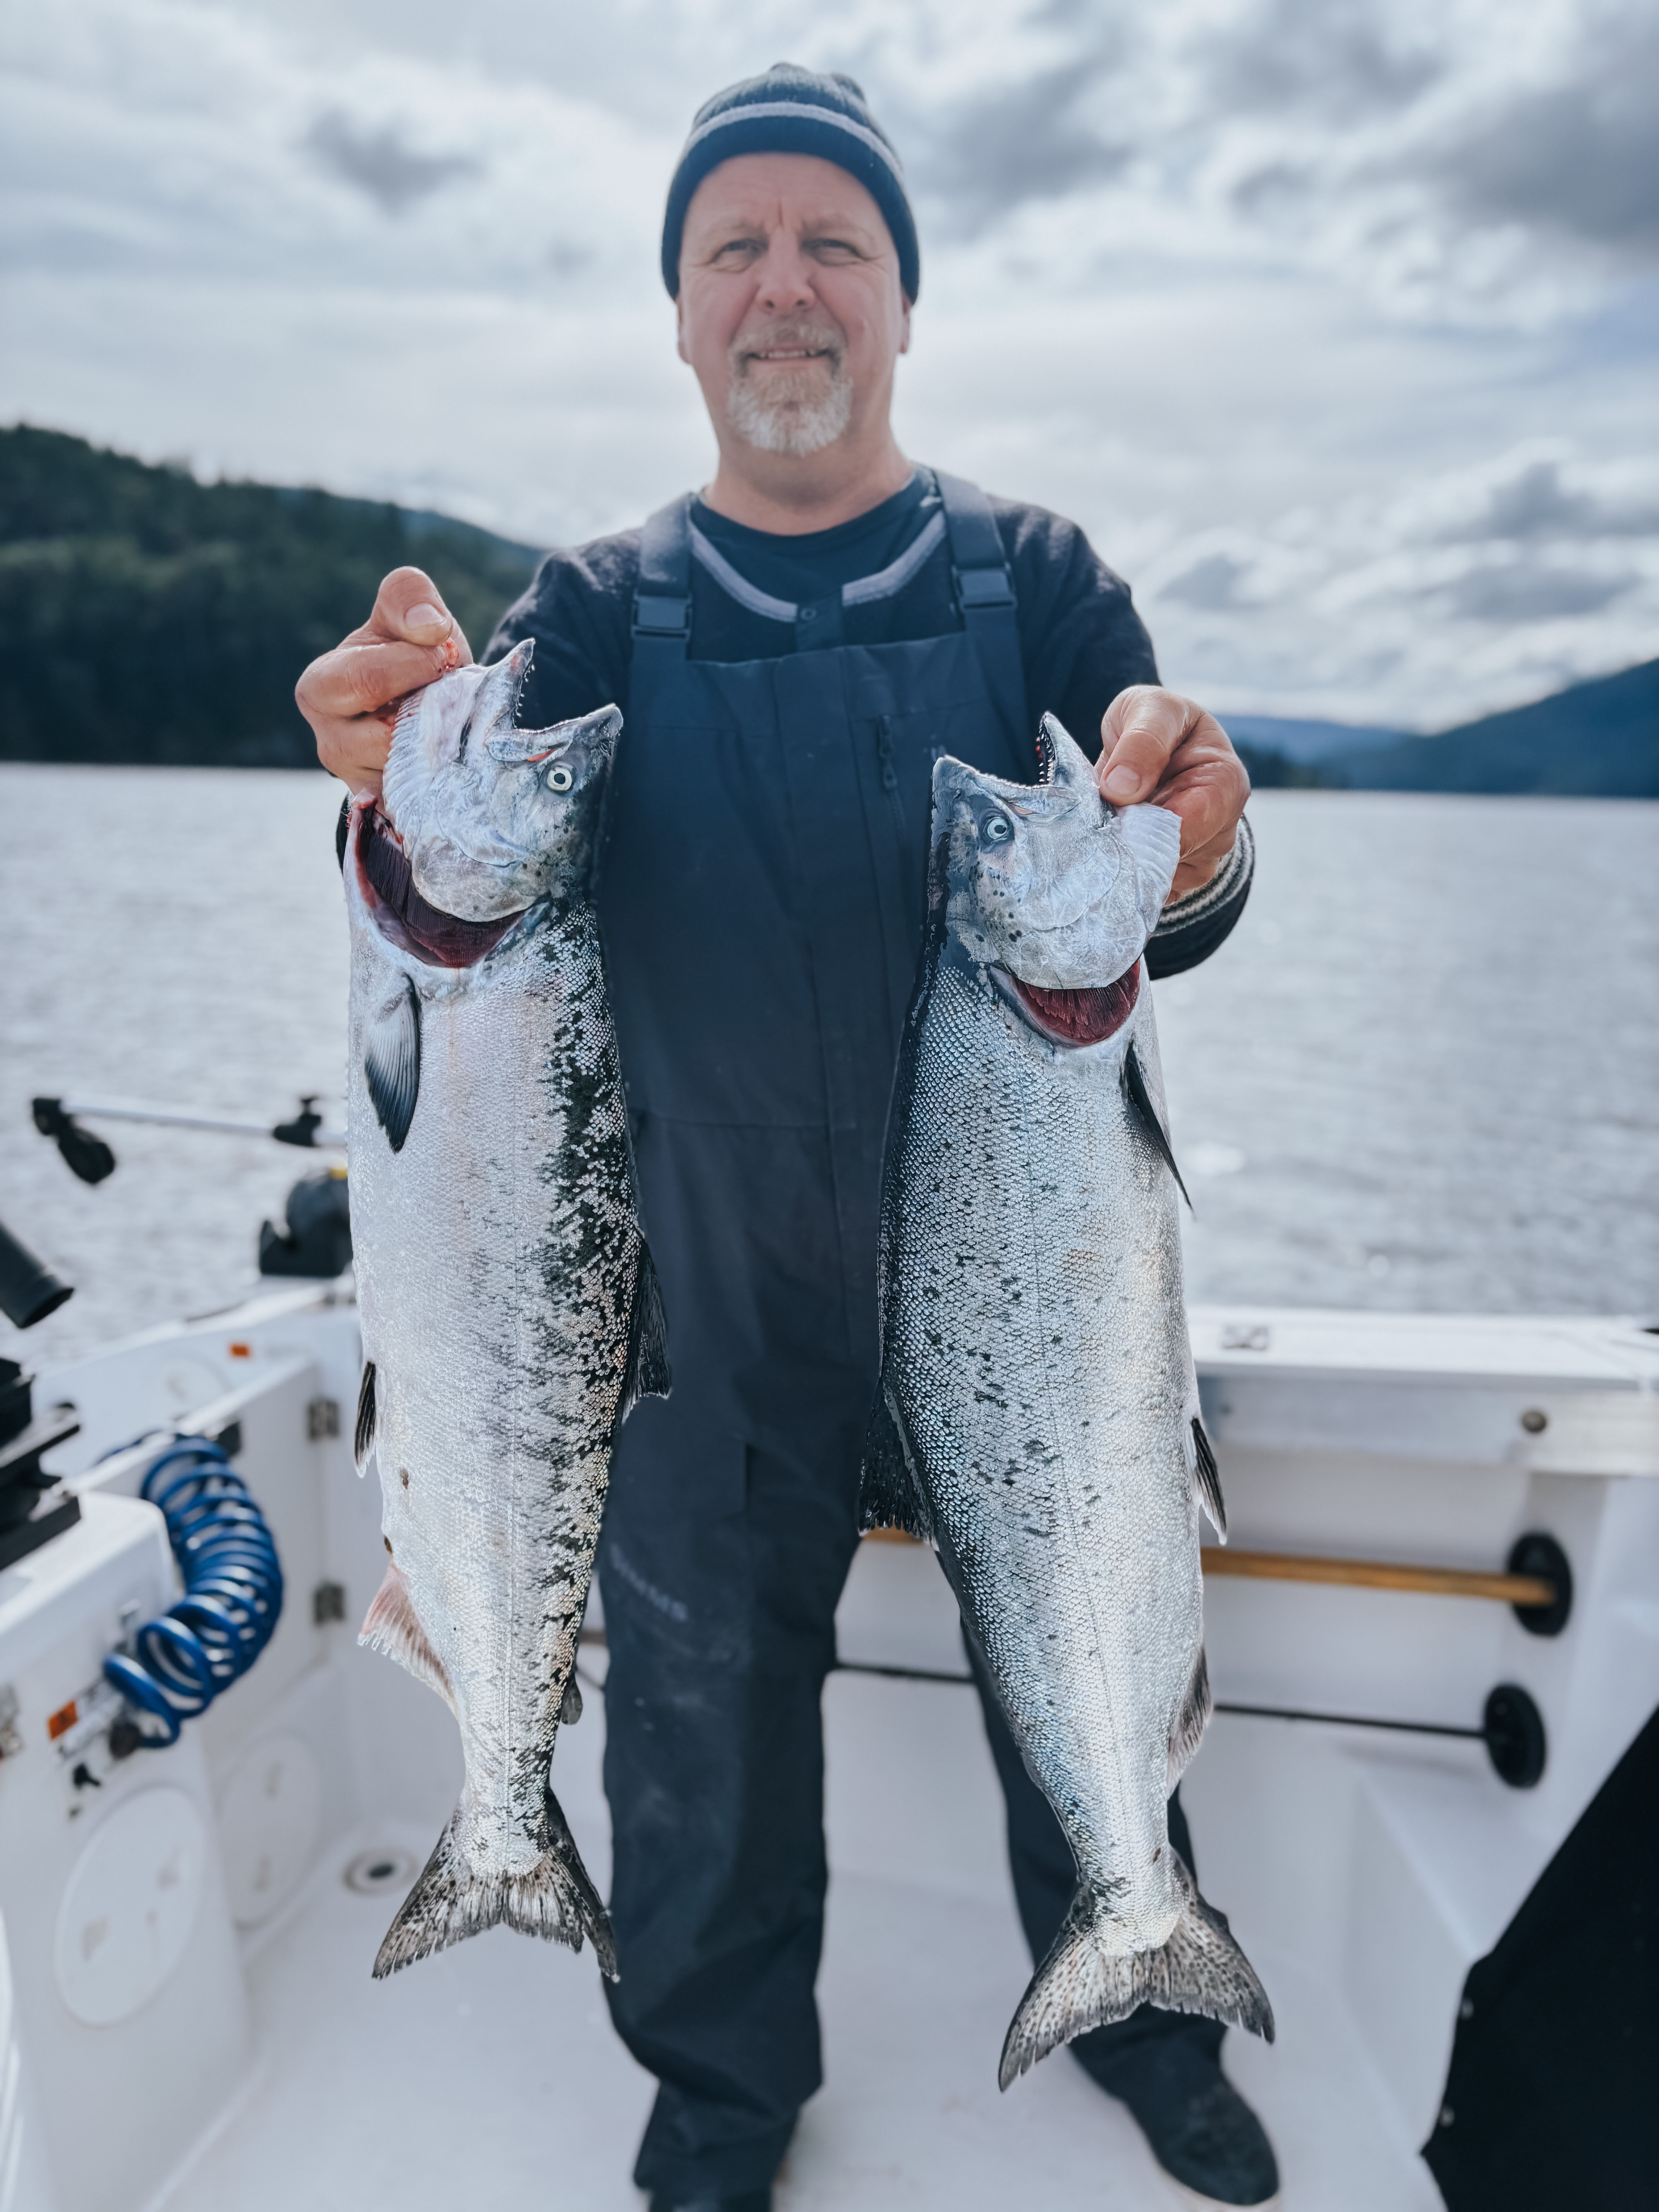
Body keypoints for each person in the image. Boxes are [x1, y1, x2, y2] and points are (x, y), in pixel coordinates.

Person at [298, 64, 1275, 2212]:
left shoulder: (1039, 581)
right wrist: (378, 794)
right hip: (687, 1311)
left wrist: (1197, 838)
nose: (785, 287)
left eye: (835, 242)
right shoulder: (595, 600)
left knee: (1085, 1611)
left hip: (1022, 1276)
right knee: (697, 1755)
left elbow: (1170, 897)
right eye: (732, 245)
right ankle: (723, 2104)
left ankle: (1145, 2007)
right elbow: (467, 909)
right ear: (677, 315)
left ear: (906, 301)